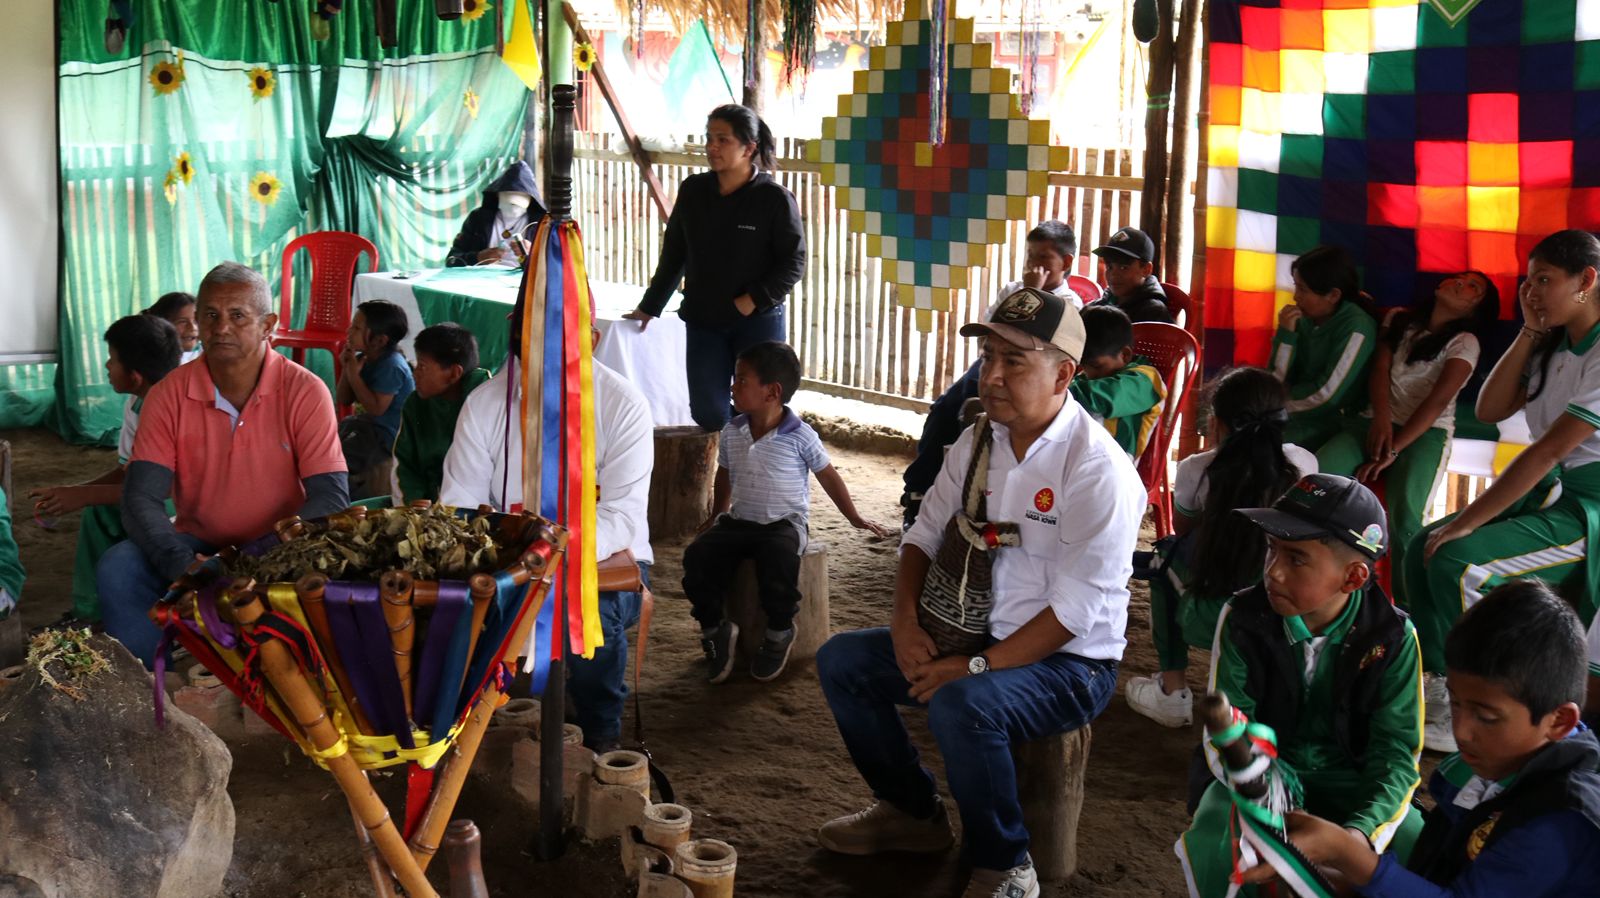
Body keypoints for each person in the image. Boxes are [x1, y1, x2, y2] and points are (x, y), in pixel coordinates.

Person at [815, 288, 1146, 898]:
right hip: (972, 637)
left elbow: (1075, 614)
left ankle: (1006, 863)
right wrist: (904, 624)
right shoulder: (978, 441)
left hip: (1071, 664)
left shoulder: (1098, 471)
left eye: (1014, 361)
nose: (991, 375)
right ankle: (913, 813)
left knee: (963, 703)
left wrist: (972, 666)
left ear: (1063, 375)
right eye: (988, 355)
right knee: (843, 662)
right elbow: (923, 533)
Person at [1238, 579, 1600, 897]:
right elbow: (1439, 869)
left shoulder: (1562, 820)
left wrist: (1348, 854)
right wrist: (1325, 873)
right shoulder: (1485, 767)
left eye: (1487, 717)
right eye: (1455, 703)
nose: (1461, 731)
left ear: (1559, 721)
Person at [1177, 474, 1423, 897]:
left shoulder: (1394, 638)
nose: (1273, 572)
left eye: (1296, 558)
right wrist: (1269, 798)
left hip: (1353, 782)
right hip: (1259, 783)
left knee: (1415, 843)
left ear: (1353, 577)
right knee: (1217, 839)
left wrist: (1357, 839)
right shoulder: (1242, 616)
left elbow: (1397, 755)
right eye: (1272, 549)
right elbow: (1228, 736)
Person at [96, 262, 348, 667]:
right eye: (210, 316)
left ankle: (294, 675)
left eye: (237, 316)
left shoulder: (304, 390)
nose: (221, 328)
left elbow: (330, 497)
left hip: (281, 548)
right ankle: (149, 687)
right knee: (119, 568)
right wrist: (183, 565)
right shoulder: (169, 394)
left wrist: (256, 559)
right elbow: (140, 498)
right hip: (196, 546)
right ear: (196, 323)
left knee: (338, 574)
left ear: (268, 325)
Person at [1409, 229, 1600, 754]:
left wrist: (1465, 520)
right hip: (1553, 493)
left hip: (1591, 508)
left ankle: (1477, 702)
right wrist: (1529, 333)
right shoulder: (1555, 342)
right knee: (1418, 548)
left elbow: (1547, 453)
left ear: (1586, 280)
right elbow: (1492, 409)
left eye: (1544, 280)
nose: (1532, 292)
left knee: (1458, 562)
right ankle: (1437, 684)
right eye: (1527, 282)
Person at [438, 317, 653, 752]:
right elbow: (459, 508)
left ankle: (602, 738)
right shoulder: (484, 405)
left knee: (590, 612)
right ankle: (465, 731)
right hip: (506, 561)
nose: (544, 364)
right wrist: (516, 560)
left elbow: (623, 515)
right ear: (515, 345)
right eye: (531, 347)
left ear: (591, 340)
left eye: (561, 347)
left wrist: (554, 552)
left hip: (602, 561)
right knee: (449, 602)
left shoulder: (623, 404)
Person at [685, 341, 891, 684]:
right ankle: (713, 629)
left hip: (783, 524)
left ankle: (780, 632)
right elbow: (725, 471)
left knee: (778, 569)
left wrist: (853, 517)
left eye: (741, 380)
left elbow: (828, 475)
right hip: (739, 521)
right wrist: (717, 514)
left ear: (772, 391)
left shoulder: (801, 436)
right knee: (697, 558)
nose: (732, 387)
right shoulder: (733, 430)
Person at [1125, 367, 1317, 728]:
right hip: (1288, 616)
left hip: (1214, 617)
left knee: (1164, 555)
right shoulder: (1304, 464)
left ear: (1216, 423)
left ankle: (1172, 690)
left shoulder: (1197, 469)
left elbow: (1184, 532)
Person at [1316, 271, 1497, 601]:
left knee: (1407, 522)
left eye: (1473, 287)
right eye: (1459, 278)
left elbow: (1437, 402)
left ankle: (1405, 611)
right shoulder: (1400, 319)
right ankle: (1318, 582)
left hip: (1426, 433)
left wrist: (1393, 450)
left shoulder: (1465, 342)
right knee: (1316, 477)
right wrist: (1381, 421)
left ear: (1475, 308)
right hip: (1372, 420)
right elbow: (1379, 370)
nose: (1460, 284)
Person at [624, 104, 806, 432]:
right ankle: (733, 453)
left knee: (760, 407)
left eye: (723, 140)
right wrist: (650, 306)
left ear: (749, 148)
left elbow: (794, 261)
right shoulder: (694, 191)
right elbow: (675, 253)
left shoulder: (773, 199)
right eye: (710, 138)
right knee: (708, 411)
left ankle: (759, 469)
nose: (712, 147)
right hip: (704, 319)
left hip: (756, 321)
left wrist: (754, 298)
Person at [900, 221, 1082, 526]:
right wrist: (1026, 292)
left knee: (980, 425)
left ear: (1065, 263)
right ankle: (918, 492)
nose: (1034, 266)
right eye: (1030, 257)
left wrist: (1033, 293)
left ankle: (971, 502)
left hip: (1027, 379)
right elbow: (988, 340)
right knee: (944, 410)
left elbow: (1040, 357)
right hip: (989, 363)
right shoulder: (1013, 289)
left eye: (1043, 259)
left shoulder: (1070, 305)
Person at [30, 315, 182, 625]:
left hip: (181, 501)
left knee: (106, 508)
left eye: (112, 360)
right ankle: (90, 612)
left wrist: (84, 495)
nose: (106, 367)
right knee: (98, 512)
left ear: (135, 375)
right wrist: (75, 494)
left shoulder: (176, 409)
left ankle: (156, 604)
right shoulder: (137, 404)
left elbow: (165, 489)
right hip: (155, 492)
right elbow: (130, 471)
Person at [1271, 244, 1379, 450]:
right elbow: (1276, 379)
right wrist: (1286, 336)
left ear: (1333, 295)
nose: (1295, 297)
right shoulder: (1303, 319)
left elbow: (1327, 396)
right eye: (1296, 286)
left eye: (1302, 289)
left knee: (1258, 446)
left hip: (1333, 423)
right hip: (1293, 413)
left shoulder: (1357, 328)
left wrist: (1274, 408)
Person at [392, 323, 489, 505]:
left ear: (454, 373)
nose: (415, 374)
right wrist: (418, 513)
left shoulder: (485, 402)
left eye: (422, 366)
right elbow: (406, 466)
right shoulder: (415, 404)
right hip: (427, 513)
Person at [337, 300, 414, 497]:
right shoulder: (365, 357)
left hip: (387, 437)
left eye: (356, 327)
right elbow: (344, 398)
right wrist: (348, 368)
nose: (349, 331)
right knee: (330, 441)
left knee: (340, 460)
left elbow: (376, 409)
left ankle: (345, 496)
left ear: (380, 340)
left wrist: (354, 375)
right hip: (367, 427)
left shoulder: (392, 366)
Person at [1068, 305, 1166, 459]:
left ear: (1125, 355)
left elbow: (1105, 397)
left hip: (1116, 461)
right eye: (1083, 365)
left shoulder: (1145, 381)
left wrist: (1058, 393)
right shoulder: (1088, 376)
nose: (1089, 373)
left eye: (1096, 366)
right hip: (1083, 451)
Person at [445, 160, 546, 268]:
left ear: (531, 199)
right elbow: (452, 260)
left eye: (518, 202)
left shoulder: (542, 224)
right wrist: (477, 257)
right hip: (481, 280)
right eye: (509, 198)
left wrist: (534, 253)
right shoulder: (478, 219)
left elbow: (558, 265)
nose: (513, 206)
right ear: (497, 195)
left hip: (524, 282)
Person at [1088, 227, 1173, 324]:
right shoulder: (1105, 302)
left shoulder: (1152, 315)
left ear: (1146, 269)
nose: (1113, 274)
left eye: (1124, 267)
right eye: (1110, 267)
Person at [146, 291, 202, 363]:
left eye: (196, 321)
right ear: (161, 325)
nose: (193, 327)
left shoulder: (206, 357)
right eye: (182, 322)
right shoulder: (154, 362)